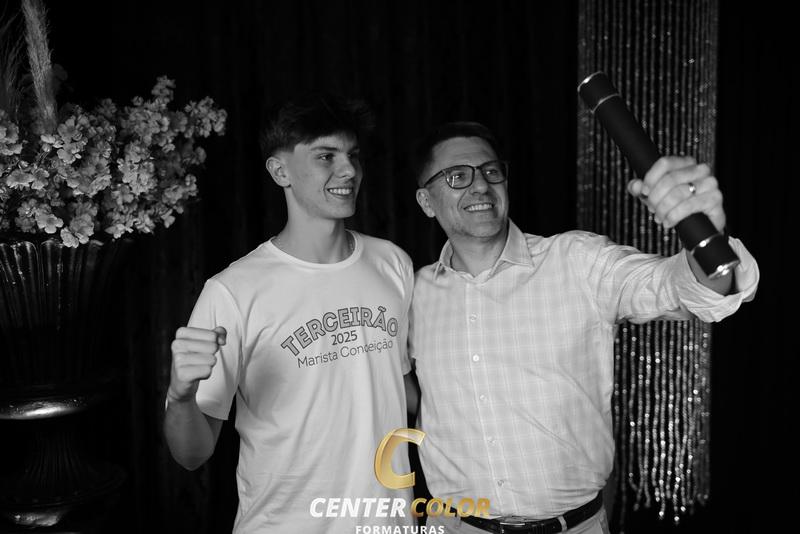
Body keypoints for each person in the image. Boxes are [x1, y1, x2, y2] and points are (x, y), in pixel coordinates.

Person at [407, 121, 759, 533]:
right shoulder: (411, 294)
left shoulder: (577, 261)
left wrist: (706, 236)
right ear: (426, 201)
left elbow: (687, 289)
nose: (481, 185)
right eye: (457, 176)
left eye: (491, 171)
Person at [163, 94, 416, 533]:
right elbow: (191, 455)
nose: (349, 171)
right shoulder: (233, 291)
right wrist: (181, 395)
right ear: (280, 171)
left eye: (353, 155)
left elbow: (402, 390)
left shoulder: (392, 263)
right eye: (326, 156)